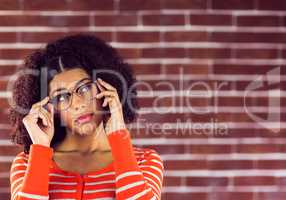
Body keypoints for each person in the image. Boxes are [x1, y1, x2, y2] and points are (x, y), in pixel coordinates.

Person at [8, 34, 164, 200]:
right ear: (49, 108)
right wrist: (40, 149)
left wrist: (118, 135)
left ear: (105, 86)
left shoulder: (145, 162)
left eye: (84, 89)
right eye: (61, 97)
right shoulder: (27, 164)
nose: (77, 104)